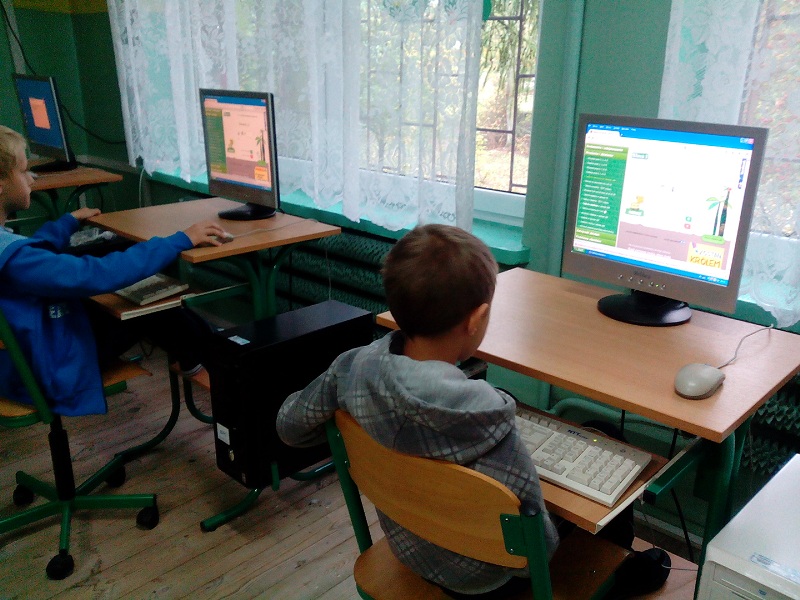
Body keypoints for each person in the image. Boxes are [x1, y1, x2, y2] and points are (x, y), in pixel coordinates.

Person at [277, 223, 672, 598]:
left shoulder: (350, 369)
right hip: (488, 583)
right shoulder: (490, 424)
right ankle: (615, 575)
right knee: (606, 436)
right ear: (477, 319)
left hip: (409, 546)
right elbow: (537, 548)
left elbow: (289, 426)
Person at [0, 124, 227, 417]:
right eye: (23, 171)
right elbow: (96, 274)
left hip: (28, 352)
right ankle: (216, 365)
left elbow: (29, 254)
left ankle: (198, 354)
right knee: (153, 308)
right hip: (46, 370)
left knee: (117, 268)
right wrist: (181, 239)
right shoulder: (18, 260)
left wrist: (67, 222)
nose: (31, 178)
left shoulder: (9, 249)